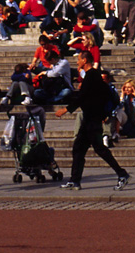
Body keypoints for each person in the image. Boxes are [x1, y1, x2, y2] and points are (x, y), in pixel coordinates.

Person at [55, 50, 130, 190]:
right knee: (79, 149)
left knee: (99, 149)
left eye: (79, 59)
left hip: (92, 120)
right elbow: (101, 94)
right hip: (90, 118)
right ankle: (75, 180)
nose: (77, 62)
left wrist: (65, 110)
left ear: (84, 60)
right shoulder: (93, 76)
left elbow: (82, 96)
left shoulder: (92, 76)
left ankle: (122, 174)